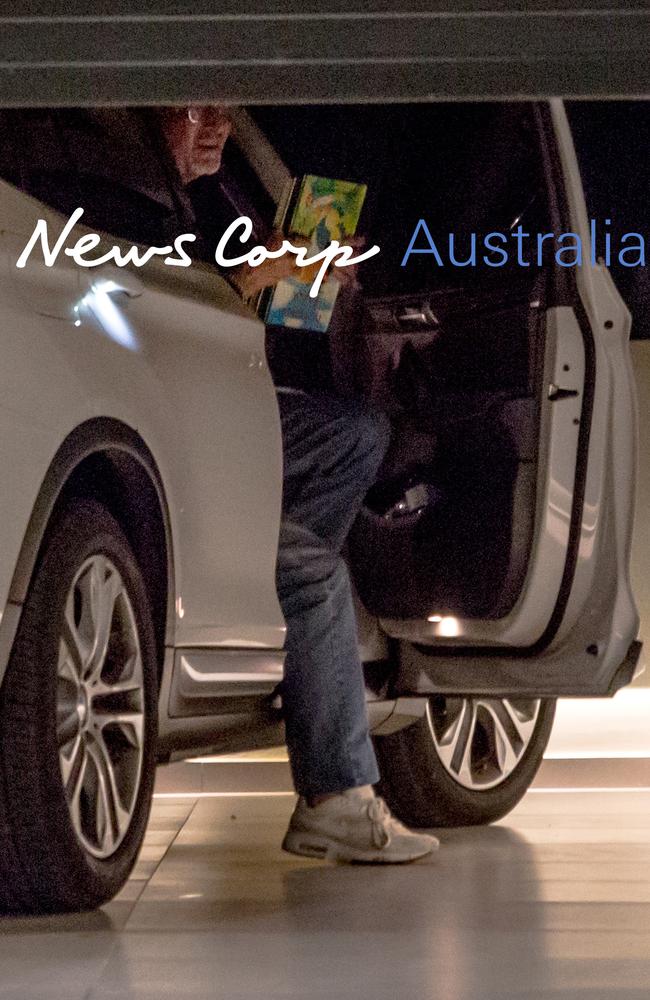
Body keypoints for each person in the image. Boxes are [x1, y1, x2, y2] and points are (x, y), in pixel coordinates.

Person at [3, 103, 438, 862]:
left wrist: (291, 274)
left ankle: (283, 574)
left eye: (223, 114)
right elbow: (160, 292)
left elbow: (223, 309)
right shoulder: (107, 198)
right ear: (120, 120)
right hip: (158, 404)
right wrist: (271, 269)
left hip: (192, 409)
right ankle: (335, 781)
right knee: (313, 562)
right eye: (187, 111)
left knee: (349, 444)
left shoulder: (191, 200)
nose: (213, 129)